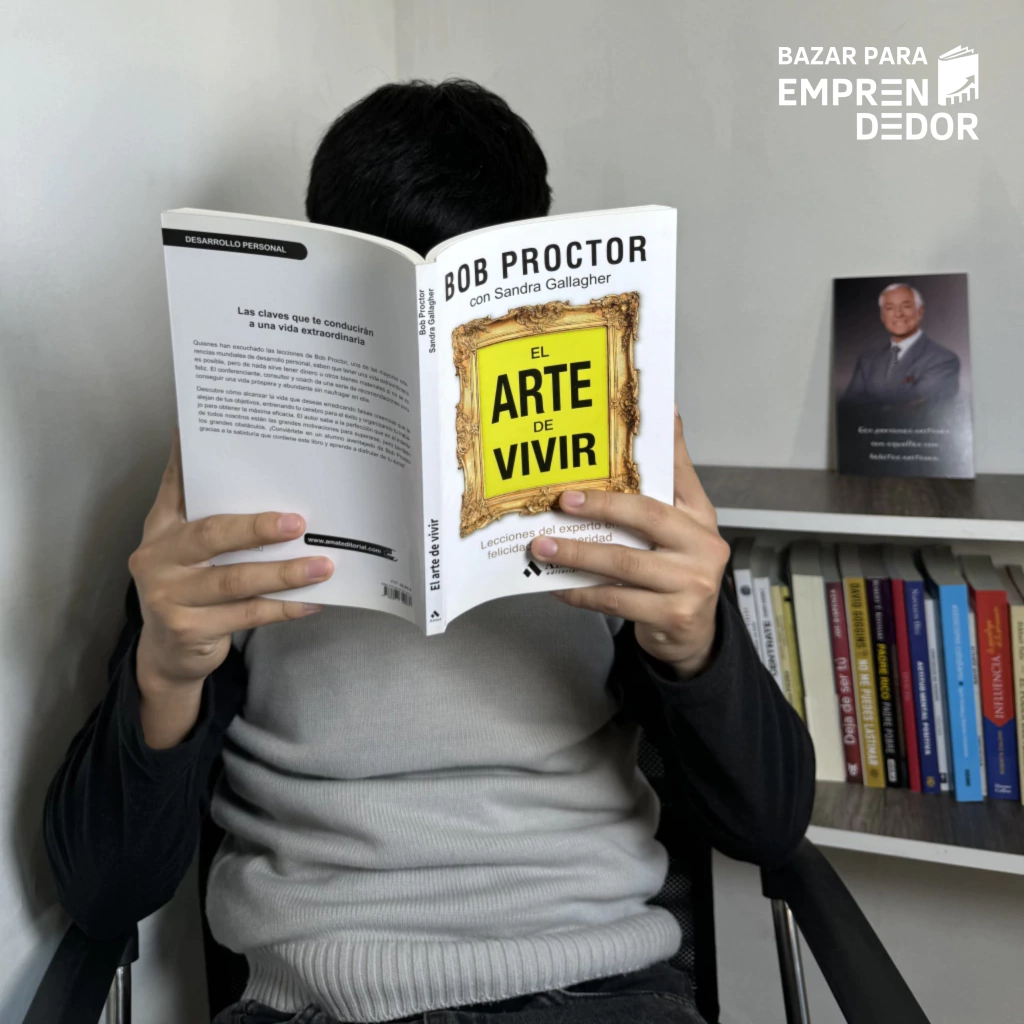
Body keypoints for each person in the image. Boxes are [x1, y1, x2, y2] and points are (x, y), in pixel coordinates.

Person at [43, 80, 814, 1024]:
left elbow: (769, 824)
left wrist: (698, 646)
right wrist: (164, 672)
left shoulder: (620, 482)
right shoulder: (224, 504)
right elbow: (104, 892)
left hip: (602, 990)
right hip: (312, 1002)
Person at [840, 282, 960, 409]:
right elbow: (850, 405)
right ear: (882, 316)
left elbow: (919, 408)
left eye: (906, 306)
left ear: (920, 311)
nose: (898, 314)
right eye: (889, 308)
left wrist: (873, 405)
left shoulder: (943, 359)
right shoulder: (867, 360)